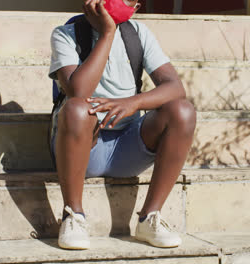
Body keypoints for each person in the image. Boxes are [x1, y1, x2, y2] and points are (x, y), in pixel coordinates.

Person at [48, 0, 196, 250]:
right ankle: (73, 215)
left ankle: (150, 217)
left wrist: (133, 103)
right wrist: (107, 34)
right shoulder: (66, 34)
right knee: (76, 109)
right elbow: (79, 91)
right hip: (82, 147)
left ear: (136, 7)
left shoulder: (138, 34)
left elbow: (175, 87)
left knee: (183, 111)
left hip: (127, 146)